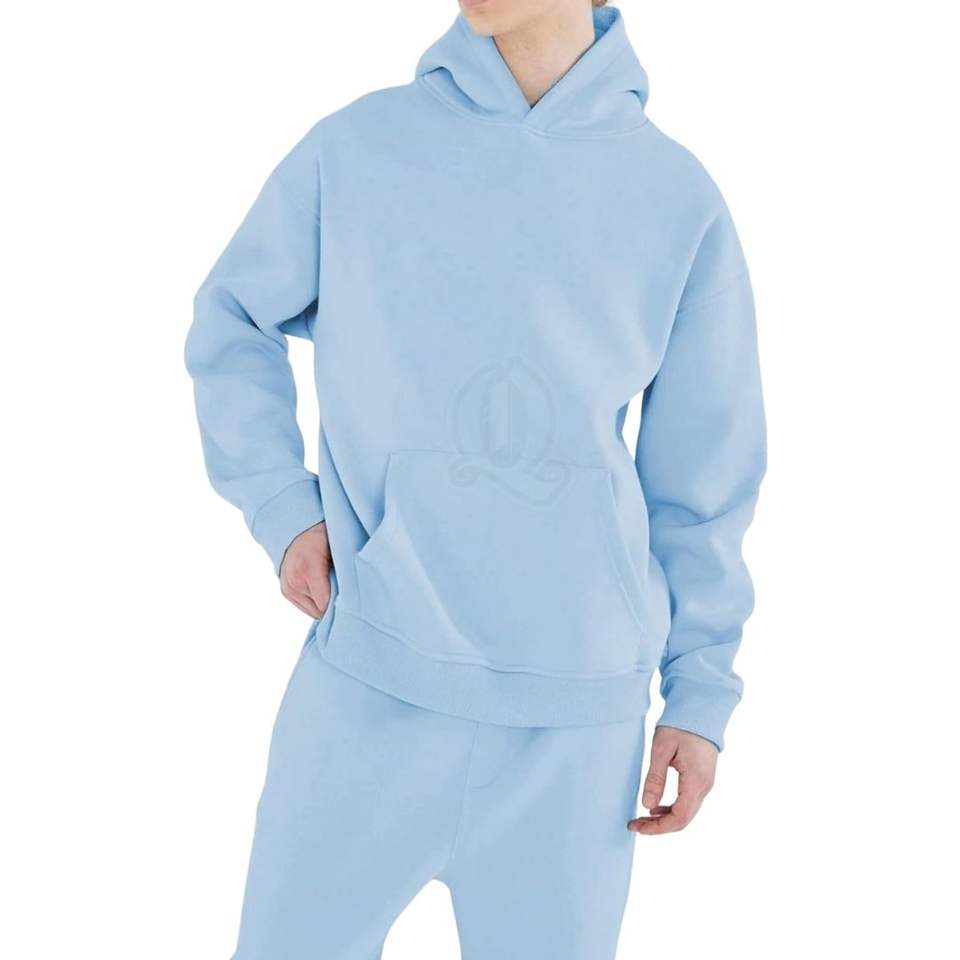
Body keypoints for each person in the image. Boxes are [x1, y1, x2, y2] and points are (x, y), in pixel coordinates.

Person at [186, 0, 765, 956]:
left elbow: (703, 482)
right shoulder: (358, 149)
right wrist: (284, 509)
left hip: (577, 731)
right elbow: (232, 321)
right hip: (367, 683)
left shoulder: (675, 199)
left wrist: (699, 697)